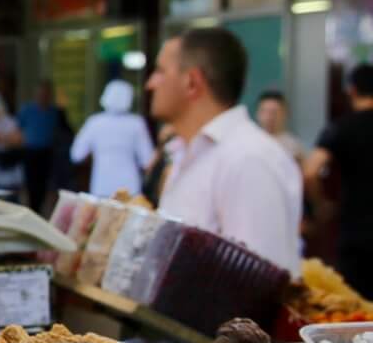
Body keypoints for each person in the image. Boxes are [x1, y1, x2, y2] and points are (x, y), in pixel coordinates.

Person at [147, 26, 302, 271]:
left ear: (191, 83)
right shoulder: (186, 152)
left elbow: (258, 285)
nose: (150, 84)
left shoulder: (248, 158)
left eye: (160, 71)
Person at [306, 63, 373, 294]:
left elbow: (311, 170)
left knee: (357, 307)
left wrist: (320, 205)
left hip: (355, 232)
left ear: (352, 90)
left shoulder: (342, 127)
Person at [68, 78, 156, 197]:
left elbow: (77, 155)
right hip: (130, 188)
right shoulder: (136, 123)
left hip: (101, 186)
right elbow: (147, 160)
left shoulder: (95, 122)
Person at [15, 81, 72, 212]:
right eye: (40, 94)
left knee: (46, 186)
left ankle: (41, 211)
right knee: (31, 185)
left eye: (45, 94)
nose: (42, 97)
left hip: (48, 153)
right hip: (30, 152)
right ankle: (32, 210)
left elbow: (66, 131)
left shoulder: (55, 112)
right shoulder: (27, 110)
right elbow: (18, 129)